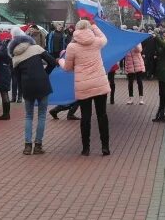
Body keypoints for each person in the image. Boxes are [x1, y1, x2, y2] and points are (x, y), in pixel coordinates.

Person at [59, 20, 111, 156]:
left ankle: (86, 148)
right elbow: (105, 38)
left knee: (86, 117)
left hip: (83, 85)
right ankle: (105, 147)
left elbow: (67, 68)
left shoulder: (72, 47)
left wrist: (60, 60)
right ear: (89, 29)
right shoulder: (97, 42)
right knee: (102, 115)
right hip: (100, 83)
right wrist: (94, 26)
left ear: (76, 30)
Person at [9, 27, 58, 155]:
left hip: (27, 87)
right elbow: (53, 62)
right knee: (41, 116)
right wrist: (45, 74)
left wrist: (22, 91)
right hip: (42, 85)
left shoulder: (15, 57)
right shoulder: (37, 48)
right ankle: (38, 146)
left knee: (28, 116)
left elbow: (17, 78)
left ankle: (27, 146)